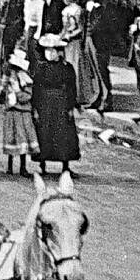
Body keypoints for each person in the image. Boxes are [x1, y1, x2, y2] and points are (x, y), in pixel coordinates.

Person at [32, 34, 80, 175]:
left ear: (59, 52)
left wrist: (71, 106)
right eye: (47, 50)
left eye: (53, 50)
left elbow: (72, 89)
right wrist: (35, 108)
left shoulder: (67, 68)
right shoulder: (41, 68)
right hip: (44, 103)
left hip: (61, 103)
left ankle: (65, 166)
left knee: (64, 133)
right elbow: (36, 88)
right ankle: (42, 164)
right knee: (43, 132)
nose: (49, 53)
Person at [0, 49, 39, 176]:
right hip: (11, 110)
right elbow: (2, 95)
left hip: (22, 111)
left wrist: (17, 92)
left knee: (22, 138)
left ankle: (22, 166)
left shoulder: (25, 79)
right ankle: (10, 166)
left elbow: (28, 95)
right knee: (11, 136)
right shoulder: (7, 79)